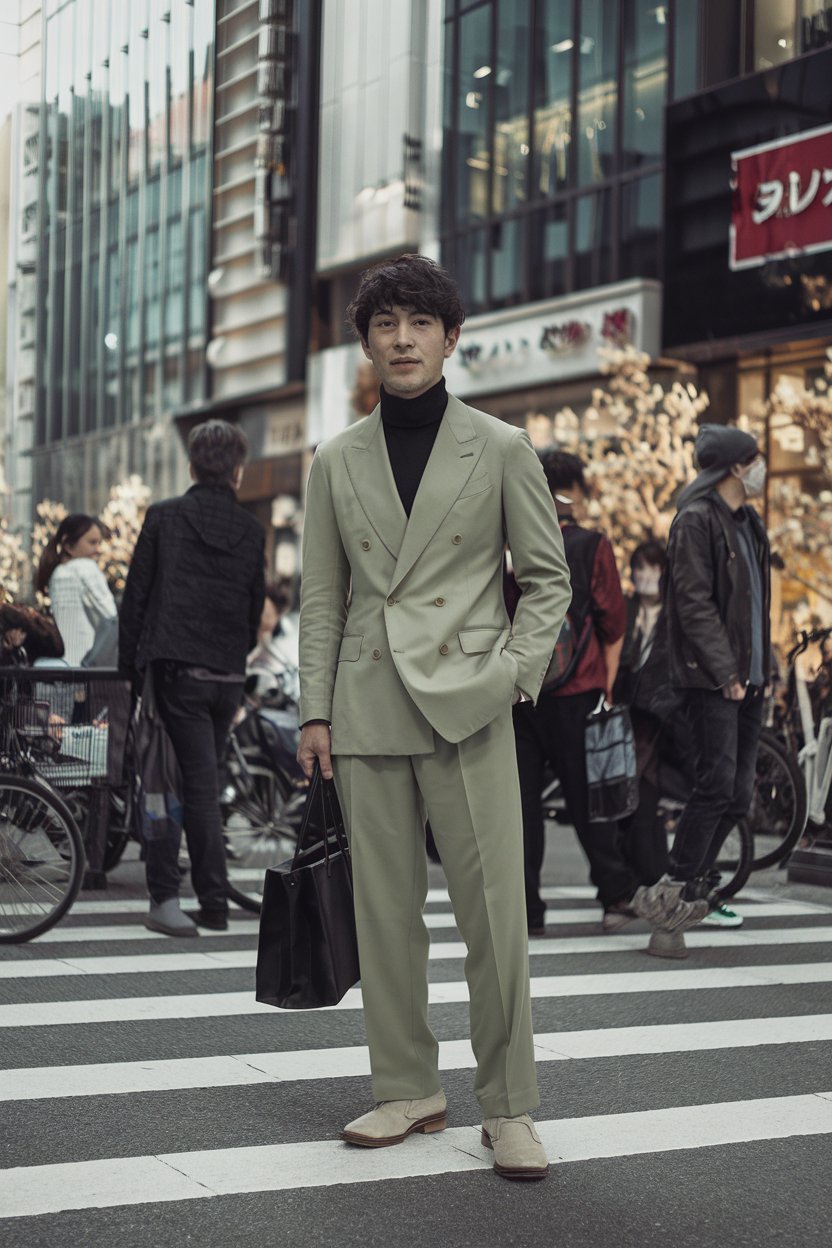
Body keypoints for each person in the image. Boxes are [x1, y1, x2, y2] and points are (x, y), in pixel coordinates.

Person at [297, 254, 572, 1181]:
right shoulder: (336, 459)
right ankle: (407, 1086)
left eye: (420, 324)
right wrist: (313, 711)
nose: (403, 340)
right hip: (368, 705)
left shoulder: (500, 447)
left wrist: (513, 678)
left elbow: (547, 581)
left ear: (451, 339)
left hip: (471, 707)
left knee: (495, 921)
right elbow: (323, 598)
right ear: (367, 342)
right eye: (386, 326)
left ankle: (509, 1107)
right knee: (385, 918)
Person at [120, 420, 266, 938]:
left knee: (171, 782)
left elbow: (135, 600)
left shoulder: (164, 518)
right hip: (226, 676)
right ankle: (212, 902)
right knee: (201, 784)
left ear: (191, 466)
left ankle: (181, 897)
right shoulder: (251, 531)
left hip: (176, 671)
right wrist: (233, 656)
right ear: (238, 473)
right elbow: (254, 611)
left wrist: (128, 676)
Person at [662, 424, 772, 957]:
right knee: (714, 786)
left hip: (750, 678)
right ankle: (677, 894)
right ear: (734, 467)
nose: (762, 468)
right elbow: (694, 603)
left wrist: (758, 670)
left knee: (737, 793)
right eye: (757, 460)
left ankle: (696, 888)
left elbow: (754, 604)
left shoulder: (748, 522)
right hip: (713, 678)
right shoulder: (696, 520)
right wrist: (726, 670)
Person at [614, 540, 672, 895]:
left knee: (640, 794)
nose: (645, 576)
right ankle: (646, 875)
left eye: (653, 568)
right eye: (639, 569)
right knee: (634, 796)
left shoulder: (674, 613)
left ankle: (644, 876)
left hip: (661, 718)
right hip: (626, 713)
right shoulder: (625, 608)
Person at [35, 515, 118, 666]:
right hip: (85, 672)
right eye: (92, 542)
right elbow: (112, 618)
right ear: (68, 545)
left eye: (99, 543)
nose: (99, 549)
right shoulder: (85, 568)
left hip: (60, 668)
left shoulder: (58, 573)